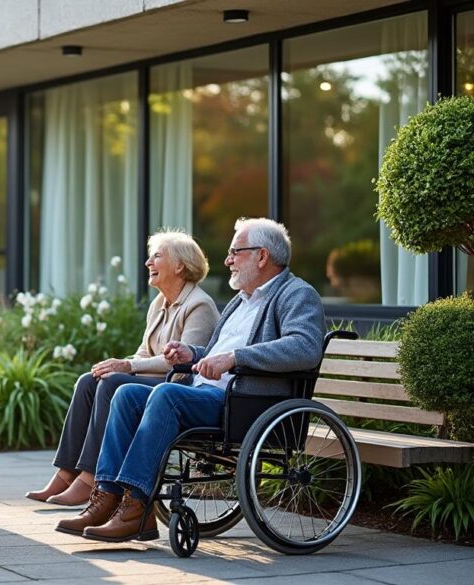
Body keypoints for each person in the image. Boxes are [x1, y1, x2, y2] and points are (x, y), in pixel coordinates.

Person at [56, 217, 325, 542]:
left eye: (234, 252)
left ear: (262, 256)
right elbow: (215, 352)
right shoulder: (241, 301)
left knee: (166, 395)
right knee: (126, 394)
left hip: (246, 403)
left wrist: (235, 358)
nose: (227, 260)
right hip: (208, 393)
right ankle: (106, 496)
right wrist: (192, 354)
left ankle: (137, 506)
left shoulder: (296, 294)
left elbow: (305, 348)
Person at [26, 231, 219, 506]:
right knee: (89, 380)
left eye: (157, 256)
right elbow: (145, 352)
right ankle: (66, 472)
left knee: (113, 383)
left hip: (178, 386)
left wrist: (127, 366)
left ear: (180, 266)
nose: (148, 263)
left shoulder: (199, 305)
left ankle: (91, 477)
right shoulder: (158, 304)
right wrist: (118, 364)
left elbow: (182, 361)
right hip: (154, 381)